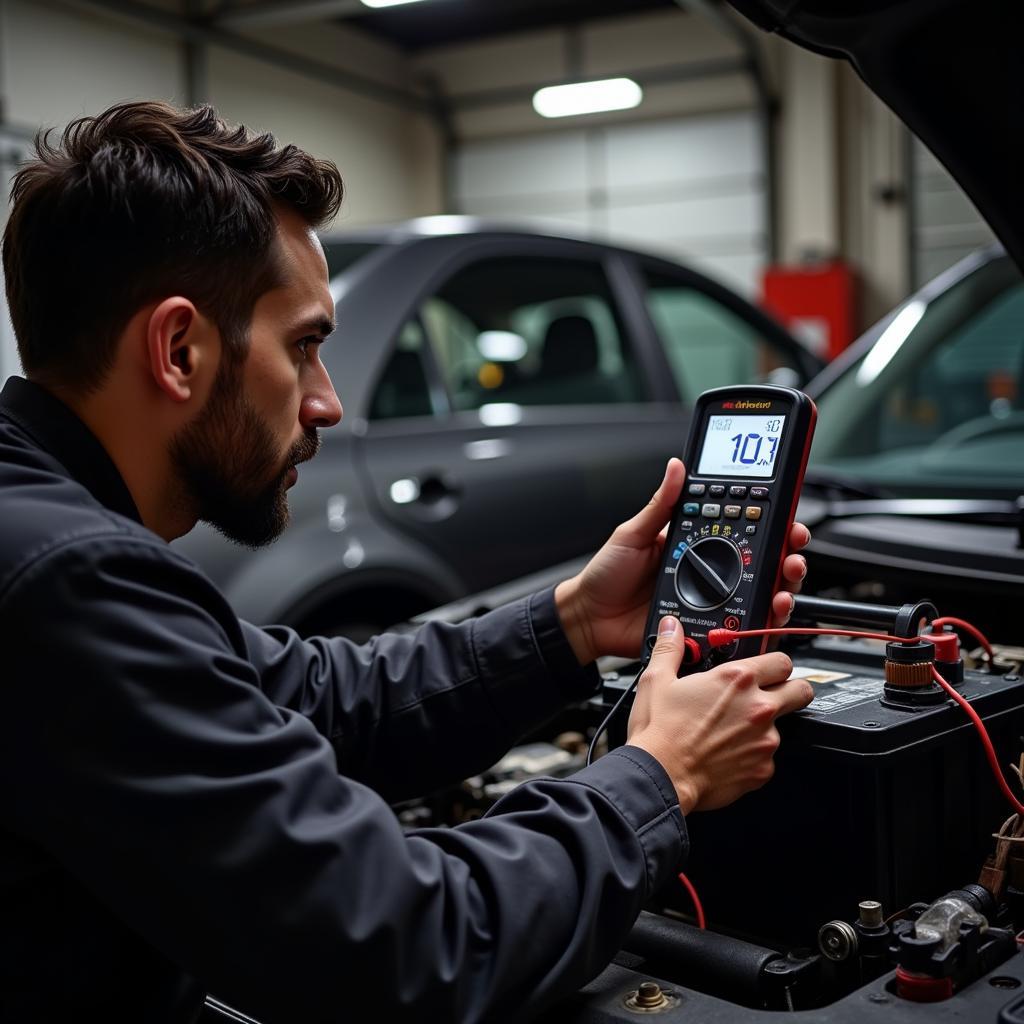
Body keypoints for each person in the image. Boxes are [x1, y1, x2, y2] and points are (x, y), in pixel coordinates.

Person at [0, 101, 814, 1023]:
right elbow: (406, 946)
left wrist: (575, 621)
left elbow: (310, 697)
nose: (327, 403)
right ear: (178, 349)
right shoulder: (68, 579)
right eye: (304, 346)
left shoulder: (46, 533)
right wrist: (659, 777)